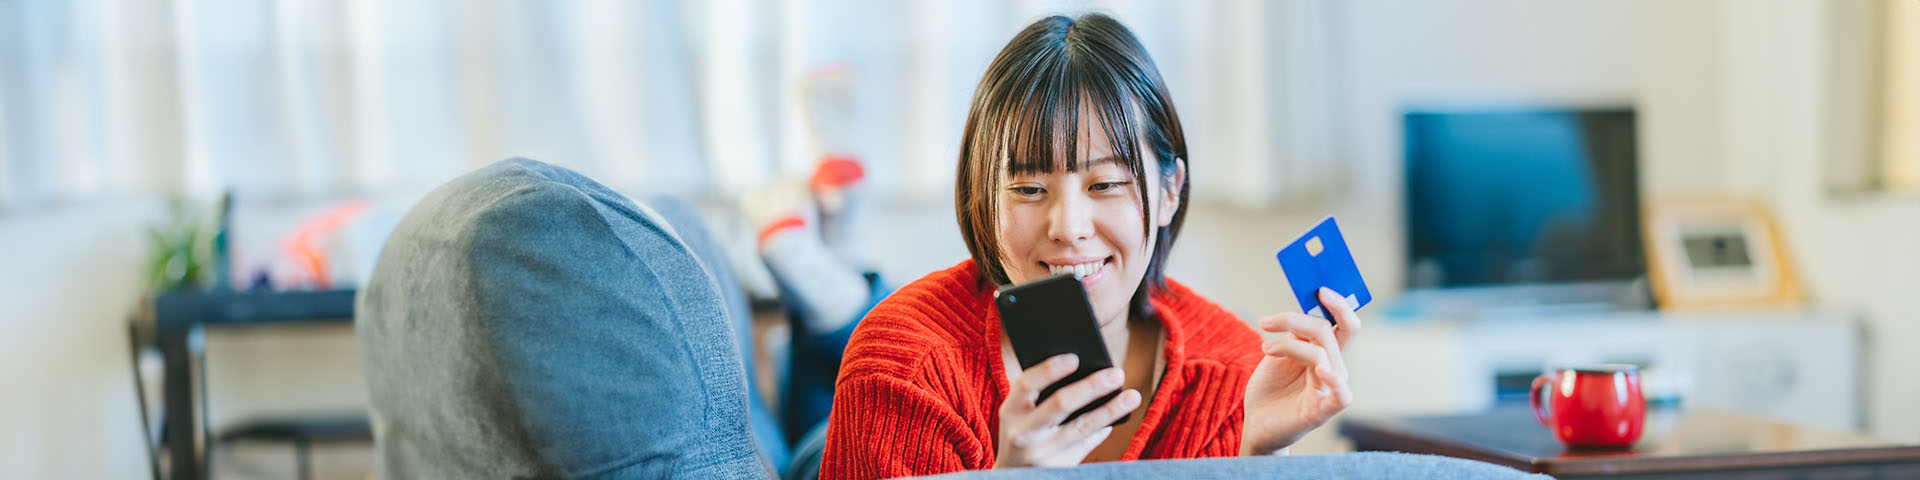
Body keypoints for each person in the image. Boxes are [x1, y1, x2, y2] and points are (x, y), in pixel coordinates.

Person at [819, 13, 1363, 479]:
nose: (1069, 227)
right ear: (983, 197)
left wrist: (1261, 458)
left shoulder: (1235, 376)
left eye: (1105, 185)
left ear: (1170, 190)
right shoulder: (903, 370)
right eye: (1030, 190)